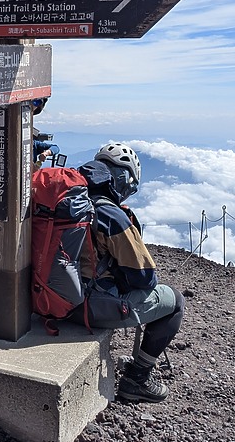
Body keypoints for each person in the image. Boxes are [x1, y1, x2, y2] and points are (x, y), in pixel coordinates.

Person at [77, 142, 185, 404]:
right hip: (85, 307)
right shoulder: (110, 214)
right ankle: (137, 379)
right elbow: (144, 277)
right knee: (175, 301)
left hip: (48, 300)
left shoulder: (70, 202)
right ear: (123, 179)